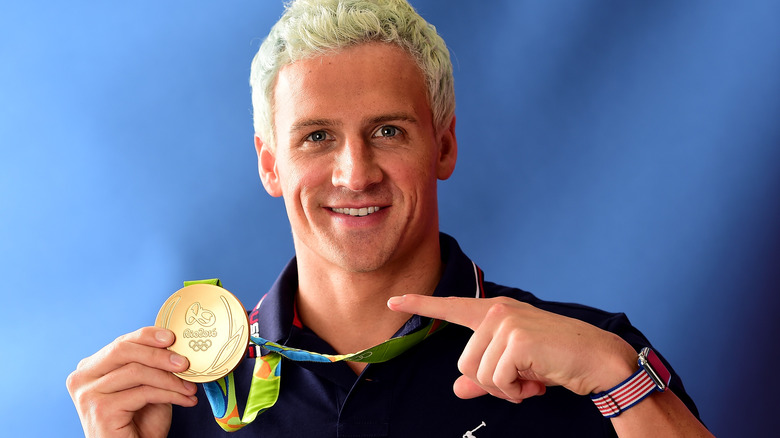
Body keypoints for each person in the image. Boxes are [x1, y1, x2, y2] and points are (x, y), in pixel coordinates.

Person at [66, 0, 713, 436]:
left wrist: (620, 382)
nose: (355, 173)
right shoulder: (179, 401)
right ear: (270, 165)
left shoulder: (597, 360)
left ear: (445, 145)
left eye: (387, 130)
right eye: (316, 136)